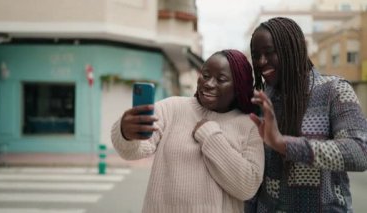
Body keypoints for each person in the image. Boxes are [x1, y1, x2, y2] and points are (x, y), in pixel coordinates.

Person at [111, 49, 264, 213]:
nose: (209, 83)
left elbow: (248, 186)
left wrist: (210, 136)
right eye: (205, 75)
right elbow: (135, 151)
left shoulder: (250, 125)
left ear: (239, 87)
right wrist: (126, 132)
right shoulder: (172, 108)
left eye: (221, 79)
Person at [246, 17, 367, 213]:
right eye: (256, 55)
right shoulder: (261, 100)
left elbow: (359, 153)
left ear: (293, 49)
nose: (261, 62)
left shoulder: (334, 90)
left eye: (269, 53)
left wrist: (284, 144)